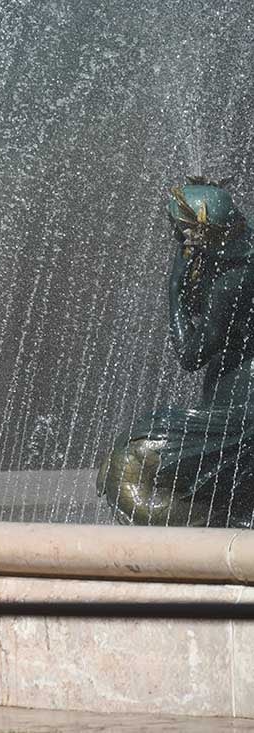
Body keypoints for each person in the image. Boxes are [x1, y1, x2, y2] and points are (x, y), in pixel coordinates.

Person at [98, 178, 254, 527]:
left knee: (127, 462)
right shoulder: (243, 245)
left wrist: (174, 290)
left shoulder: (234, 279)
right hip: (235, 395)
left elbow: (191, 355)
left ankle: (220, 525)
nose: (174, 239)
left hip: (244, 410)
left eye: (178, 232)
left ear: (197, 235)